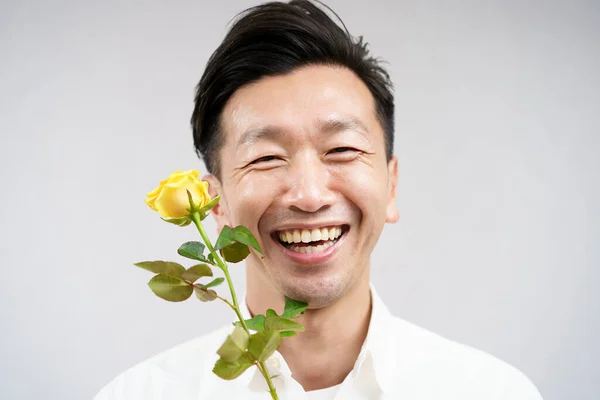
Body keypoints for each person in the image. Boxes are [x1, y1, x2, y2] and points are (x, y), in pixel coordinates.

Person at [95, 1, 543, 399]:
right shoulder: (138, 394)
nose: (309, 195)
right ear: (217, 203)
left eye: (342, 150)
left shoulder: (491, 391)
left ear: (391, 184)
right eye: (267, 157)